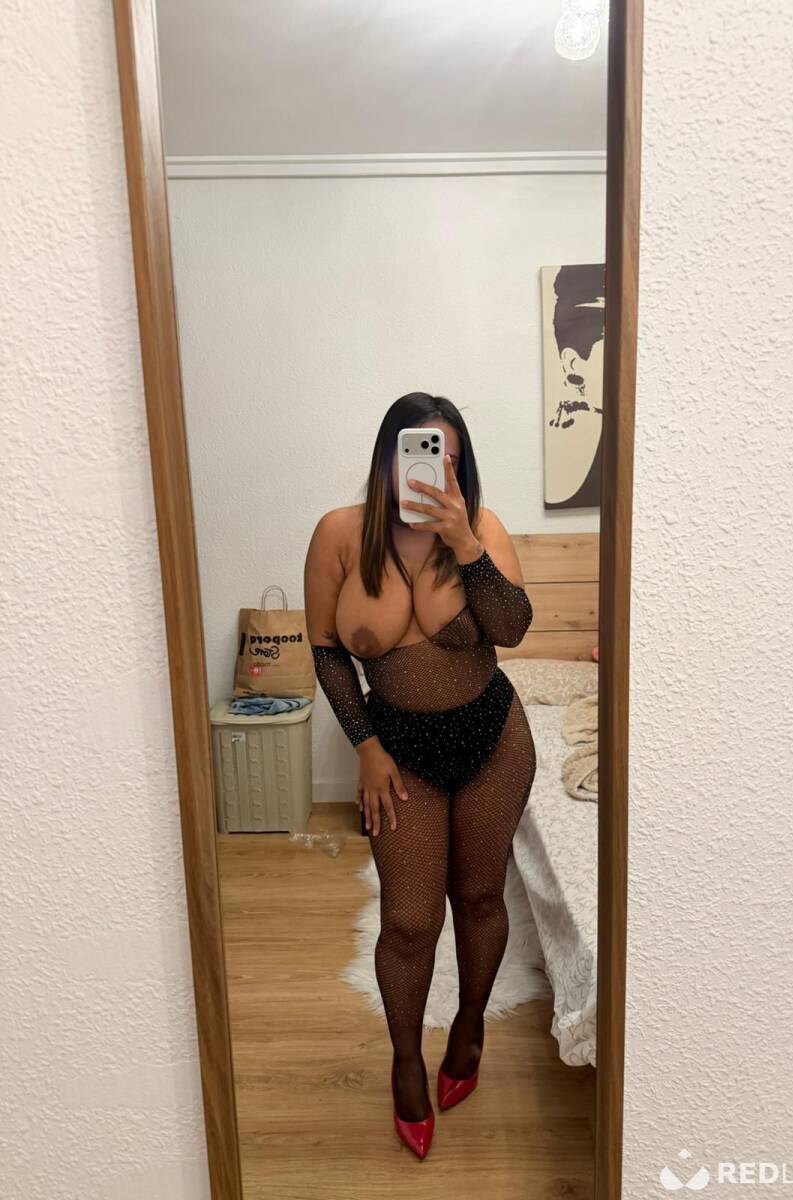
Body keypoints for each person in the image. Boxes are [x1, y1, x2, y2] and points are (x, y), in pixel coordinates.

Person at [303, 392, 537, 1159]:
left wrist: (465, 543)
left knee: (480, 895)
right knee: (408, 922)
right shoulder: (340, 535)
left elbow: (511, 628)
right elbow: (327, 650)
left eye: (451, 458)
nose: (435, 470)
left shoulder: (479, 528)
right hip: (398, 752)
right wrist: (365, 745)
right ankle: (406, 1062)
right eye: (420, 452)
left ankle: (470, 1026)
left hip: (492, 739)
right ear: (387, 456)